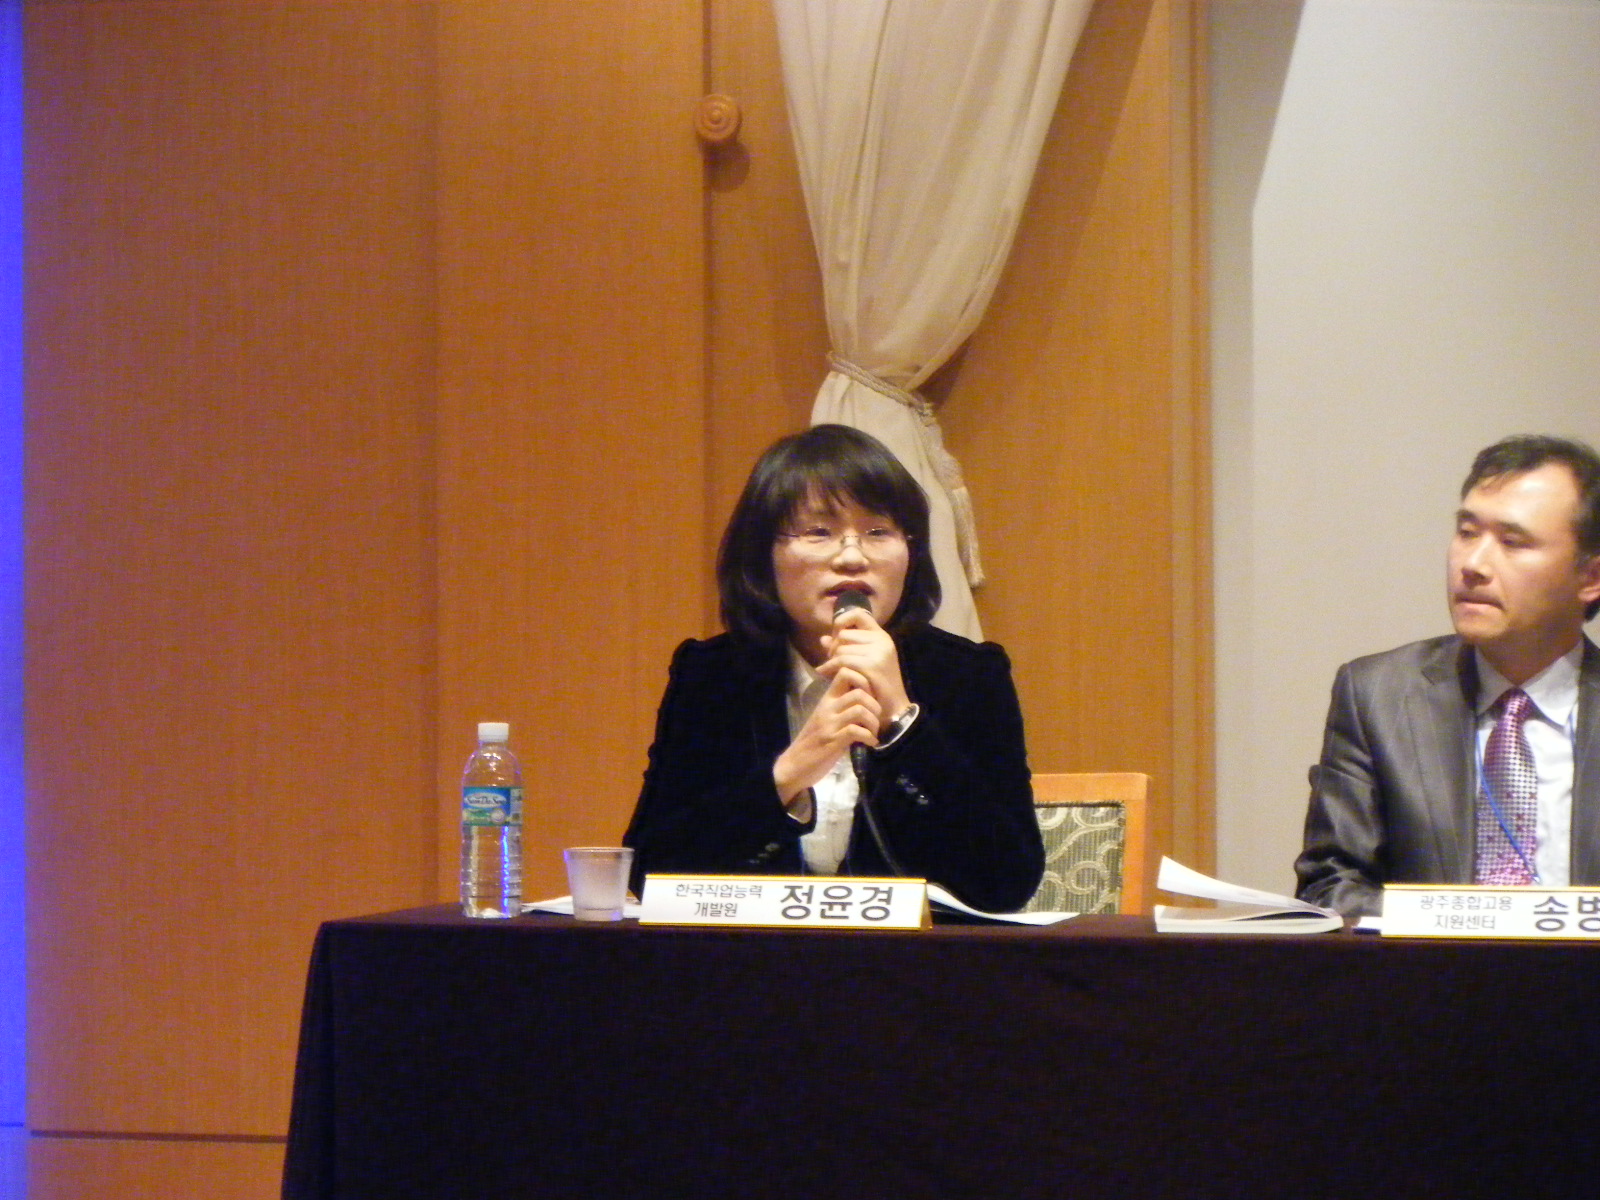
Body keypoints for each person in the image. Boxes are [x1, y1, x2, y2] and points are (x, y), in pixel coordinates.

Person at [623, 424, 1044, 913]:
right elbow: (651, 872)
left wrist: (902, 725)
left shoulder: (968, 676)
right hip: (752, 957)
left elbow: (1008, 882)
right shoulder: (713, 676)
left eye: (878, 532)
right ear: (763, 556)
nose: (851, 557)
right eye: (819, 532)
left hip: (917, 960)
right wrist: (790, 772)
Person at [1296, 434, 1600, 916]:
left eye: (1512, 542)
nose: (1473, 565)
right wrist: (1463, 921)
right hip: (1427, 966)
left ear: (1590, 578)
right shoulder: (1378, 696)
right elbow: (1329, 887)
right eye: (1467, 532)